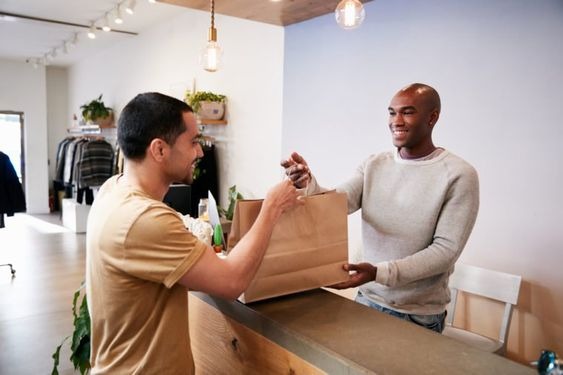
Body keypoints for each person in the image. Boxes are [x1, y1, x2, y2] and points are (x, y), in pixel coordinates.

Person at [86, 92, 301, 374]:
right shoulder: (143, 218)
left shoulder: (113, 189)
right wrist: (271, 207)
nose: (200, 152)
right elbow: (232, 281)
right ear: (159, 150)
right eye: (193, 142)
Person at [281, 83, 479, 333]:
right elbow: (337, 204)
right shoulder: (374, 164)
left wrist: (379, 273)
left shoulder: (459, 175)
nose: (396, 120)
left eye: (407, 112)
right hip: (365, 300)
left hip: (416, 315)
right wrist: (307, 183)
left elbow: (445, 252)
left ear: (432, 117)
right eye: (392, 112)